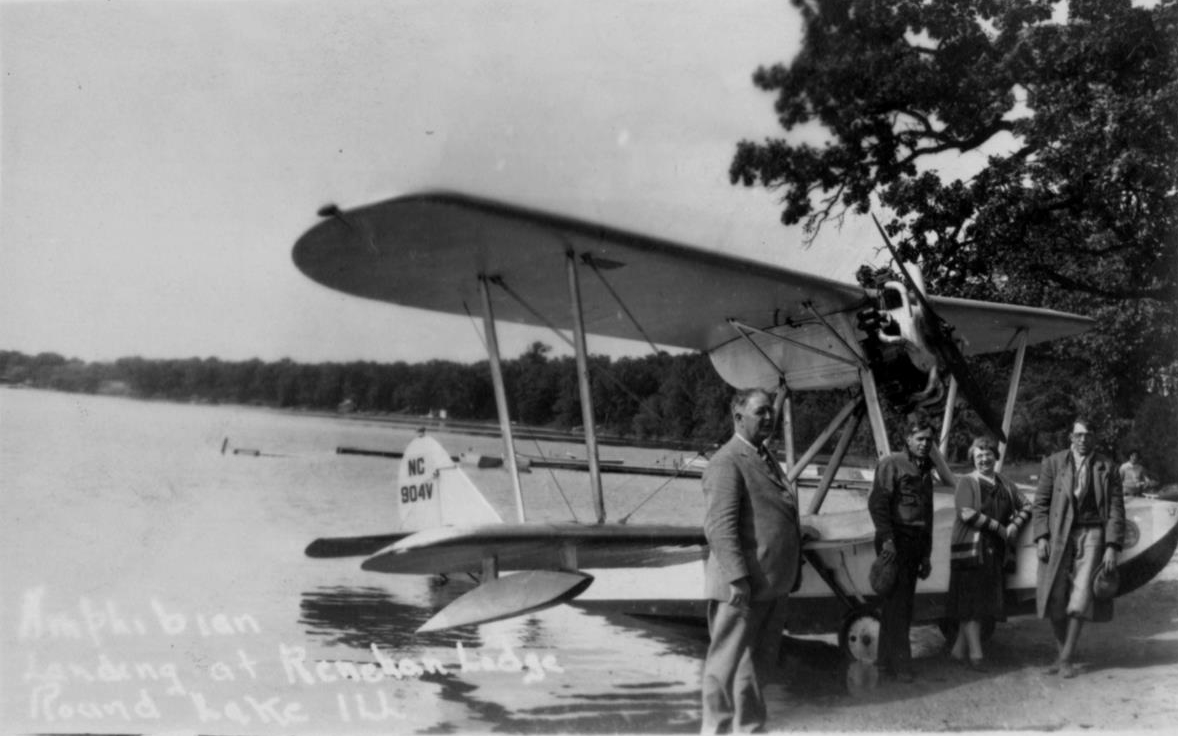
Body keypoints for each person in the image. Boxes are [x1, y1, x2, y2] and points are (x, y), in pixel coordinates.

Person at [700, 387, 802, 734]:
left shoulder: (764, 457)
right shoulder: (726, 461)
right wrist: (737, 578)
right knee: (724, 668)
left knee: (755, 672)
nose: (770, 417)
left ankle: (750, 729)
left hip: (771, 585)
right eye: (761, 412)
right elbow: (719, 526)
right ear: (738, 416)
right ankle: (715, 730)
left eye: (771, 411)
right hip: (741, 588)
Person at [1031, 418, 1125, 678]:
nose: (1083, 440)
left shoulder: (1108, 467)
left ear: (1095, 438)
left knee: (1082, 594)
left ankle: (1066, 657)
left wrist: (1112, 546)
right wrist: (1041, 537)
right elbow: (1040, 503)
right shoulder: (1053, 463)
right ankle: (1063, 654)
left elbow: (1117, 509)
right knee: (1056, 594)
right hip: (1059, 533)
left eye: (1088, 435)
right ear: (1071, 437)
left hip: (1093, 532)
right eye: (1079, 435)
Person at [946, 437, 1031, 670]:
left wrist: (1015, 525)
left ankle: (957, 652)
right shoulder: (967, 482)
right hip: (970, 549)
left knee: (979, 602)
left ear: (996, 456)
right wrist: (1000, 528)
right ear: (973, 459)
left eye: (988, 454)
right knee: (971, 603)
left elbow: (1027, 506)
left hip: (993, 550)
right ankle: (976, 656)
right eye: (979, 456)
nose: (984, 459)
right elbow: (966, 513)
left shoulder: (1005, 483)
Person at [868, 416, 935, 683]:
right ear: (907, 439)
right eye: (920, 439)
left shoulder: (926, 469)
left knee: (898, 606)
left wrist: (927, 553)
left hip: (915, 542)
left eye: (929, 440)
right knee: (898, 605)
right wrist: (887, 541)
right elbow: (877, 504)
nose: (925, 444)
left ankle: (885, 664)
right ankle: (901, 665)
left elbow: (927, 514)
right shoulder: (892, 464)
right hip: (896, 540)